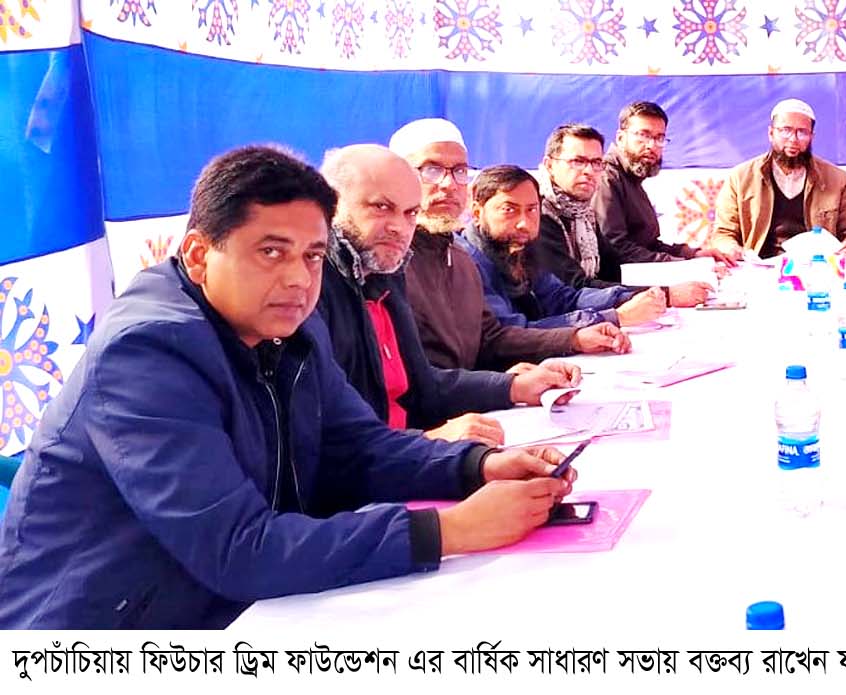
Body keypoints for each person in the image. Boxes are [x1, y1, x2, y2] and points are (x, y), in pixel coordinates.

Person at [0, 145, 576, 629]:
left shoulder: (289, 329)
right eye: (271, 252)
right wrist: (451, 529)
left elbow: (359, 447)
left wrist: (477, 466)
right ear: (199, 255)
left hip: (240, 609)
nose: (299, 279)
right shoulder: (147, 354)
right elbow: (237, 549)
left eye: (313, 255)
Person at [318, 144, 582, 448]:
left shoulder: (390, 271)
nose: (399, 227)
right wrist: (431, 443)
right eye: (381, 207)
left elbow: (422, 384)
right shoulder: (320, 288)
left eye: (410, 213)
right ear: (332, 204)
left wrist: (511, 386)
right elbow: (325, 443)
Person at [387, 118, 630, 369]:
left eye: (459, 171)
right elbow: (425, 378)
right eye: (431, 170)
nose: (448, 184)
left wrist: (577, 335)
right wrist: (601, 322)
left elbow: (493, 336)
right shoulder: (391, 261)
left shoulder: (456, 255)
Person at [462, 165, 668, 329]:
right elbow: (511, 332)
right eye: (509, 210)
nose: (524, 223)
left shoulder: (522, 247)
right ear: (477, 213)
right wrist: (614, 318)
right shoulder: (468, 264)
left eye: (532, 209)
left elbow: (562, 298)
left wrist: (627, 298)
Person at [532, 123, 711, 308]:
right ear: (550, 165)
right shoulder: (539, 215)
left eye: (596, 163)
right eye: (577, 161)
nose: (589, 171)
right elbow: (576, 287)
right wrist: (665, 295)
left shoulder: (582, 212)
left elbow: (615, 267)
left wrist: (688, 270)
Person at [711, 99, 846, 258]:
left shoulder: (838, 180)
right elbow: (723, 234)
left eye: (802, 132)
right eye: (785, 130)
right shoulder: (740, 178)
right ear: (771, 133)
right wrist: (733, 250)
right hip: (758, 265)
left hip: (818, 266)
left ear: (812, 137)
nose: (793, 139)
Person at [594, 101, 733, 265]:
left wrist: (693, 254)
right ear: (620, 138)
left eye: (659, 138)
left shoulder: (631, 178)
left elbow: (648, 245)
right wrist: (685, 265)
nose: (652, 146)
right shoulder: (606, 178)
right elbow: (615, 249)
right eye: (643, 135)